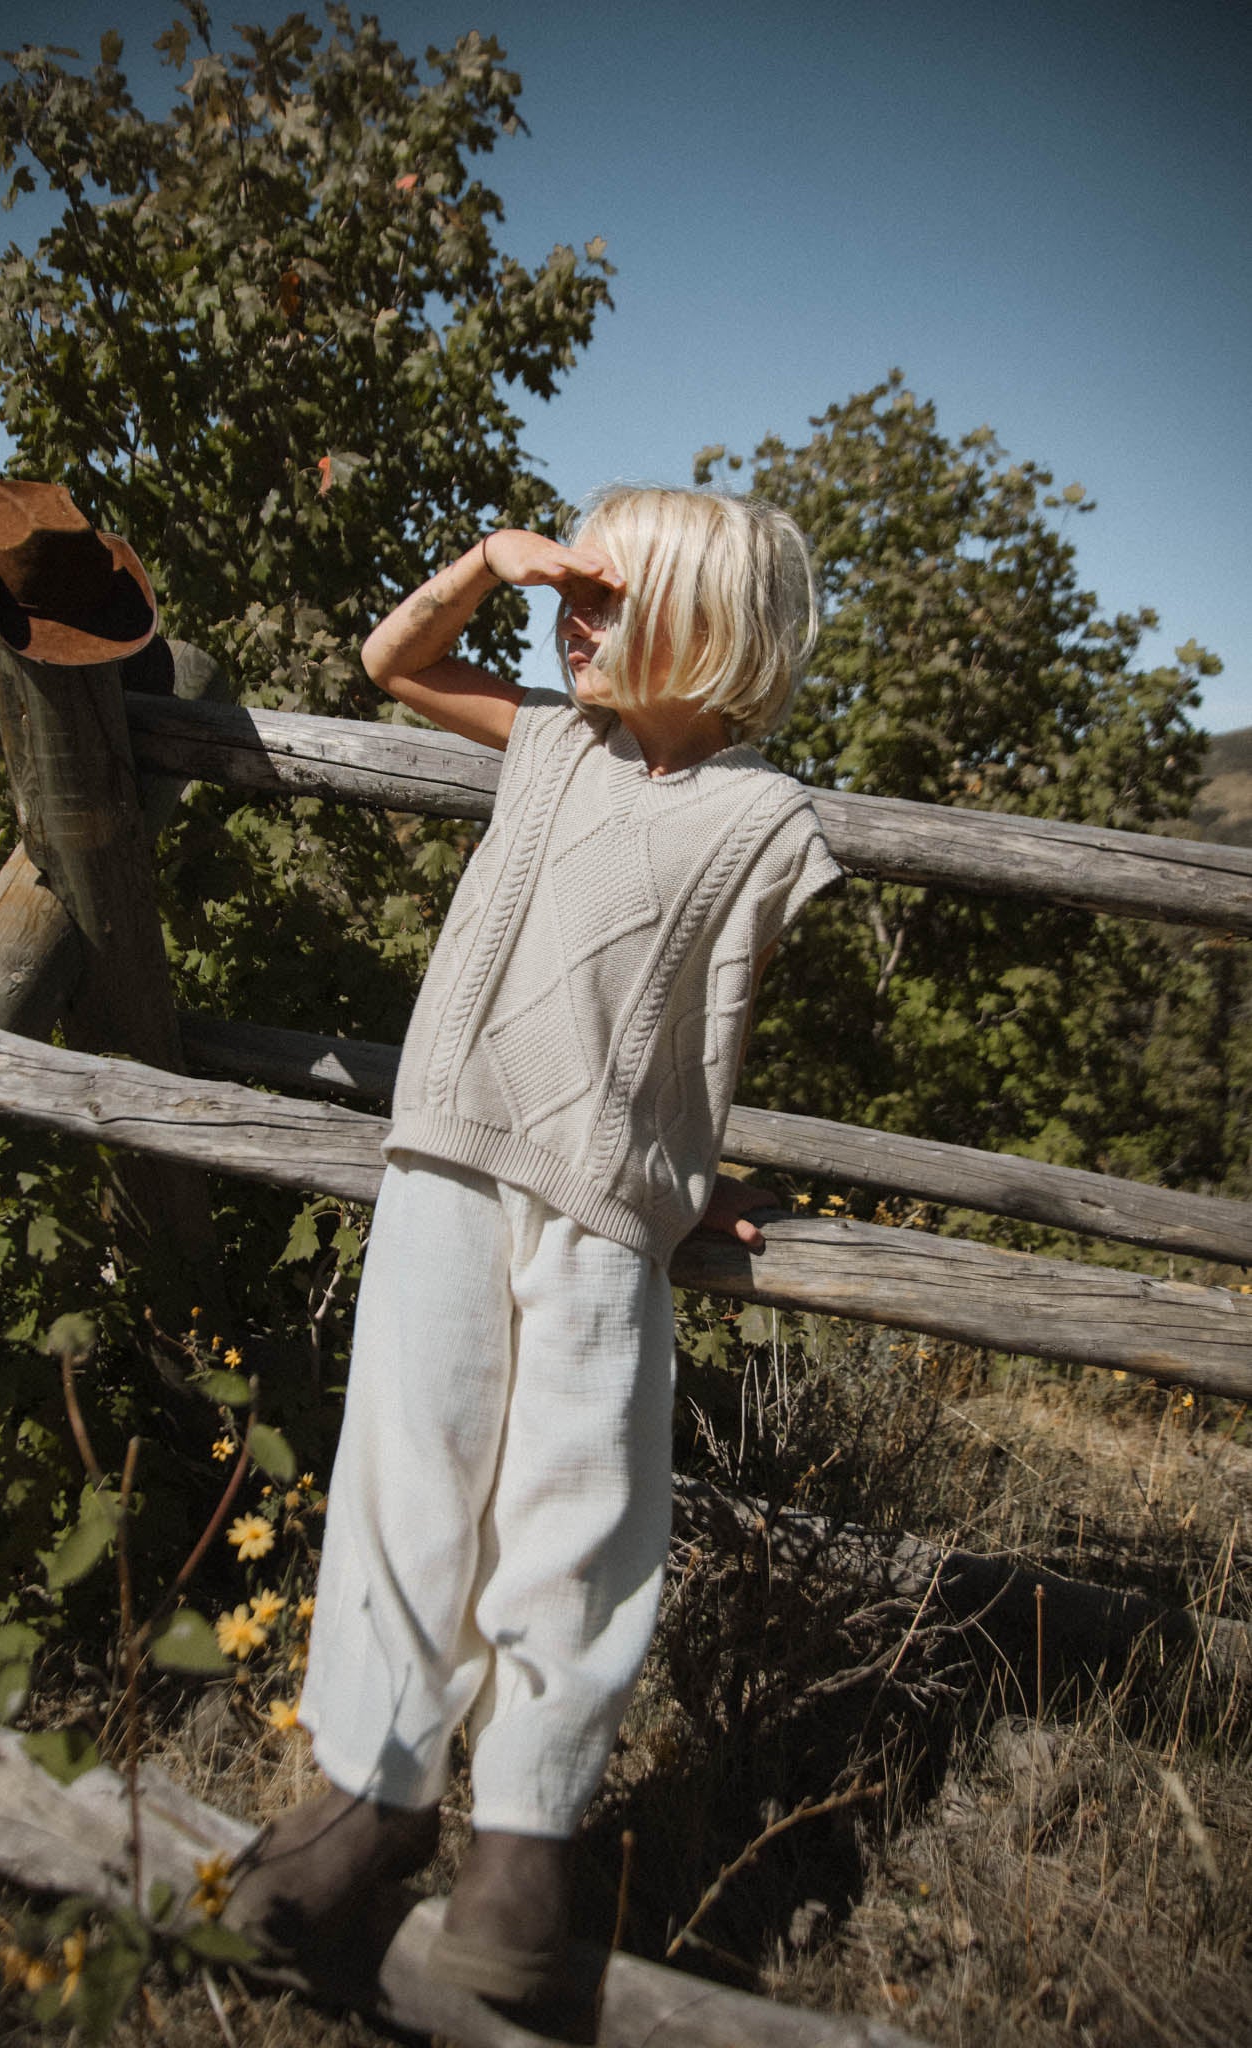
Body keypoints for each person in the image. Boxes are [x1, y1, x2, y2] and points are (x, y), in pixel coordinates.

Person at [227, 485, 844, 2012]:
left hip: (605, 1213)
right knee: (406, 1470)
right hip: (443, 1162)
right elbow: (389, 659)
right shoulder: (548, 743)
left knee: (578, 1511)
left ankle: (522, 1838)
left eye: (605, 598)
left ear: (709, 626)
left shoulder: (765, 820)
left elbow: (710, 1021)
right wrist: (486, 561)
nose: (568, 618)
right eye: (565, 592)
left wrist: (678, 1174)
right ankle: (369, 1795)